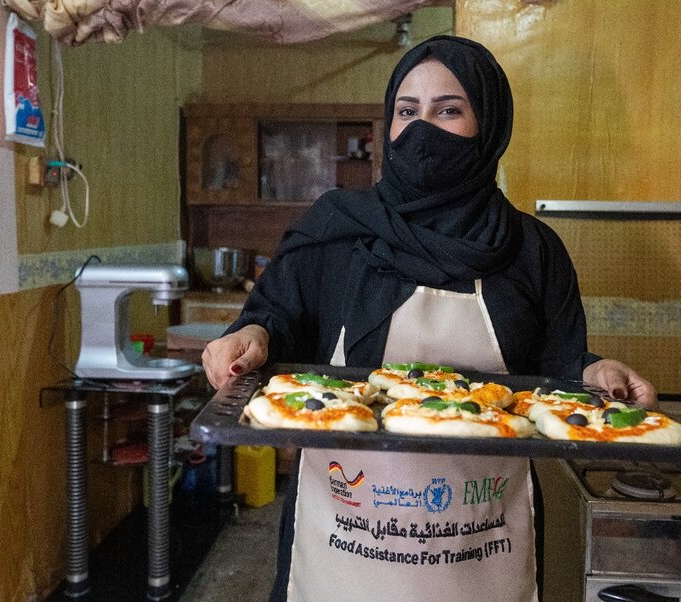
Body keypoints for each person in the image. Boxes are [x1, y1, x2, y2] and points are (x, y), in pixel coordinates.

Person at [202, 35, 656, 601]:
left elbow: (558, 372)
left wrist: (596, 373)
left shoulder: (532, 251)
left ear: (488, 125)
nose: (421, 130)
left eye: (448, 110)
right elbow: (277, 318)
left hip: (477, 546)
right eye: (406, 111)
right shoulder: (338, 228)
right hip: (345, 540)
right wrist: (250, 333)